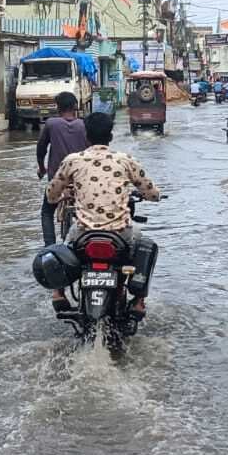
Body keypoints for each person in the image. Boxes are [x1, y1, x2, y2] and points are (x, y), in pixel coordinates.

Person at [45, 111, 161, 312]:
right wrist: (153, 195)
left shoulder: (72, 160)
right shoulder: (126, 160)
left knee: (62, 245)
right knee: (145, 245)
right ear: (111, 136)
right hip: (120, 233)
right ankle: (140, 301)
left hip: (83, 233)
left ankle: (59, 292)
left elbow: (51, 193)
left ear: (87, 137)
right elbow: (151, 192)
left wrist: (61, 196)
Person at [36, 91, 88, 245]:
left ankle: (49, 246)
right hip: (81, 180)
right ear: (75, 107)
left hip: (57, 180)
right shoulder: (84, 124)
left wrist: (41, 167)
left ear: (58, 108)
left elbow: (41, 149)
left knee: (47, 212)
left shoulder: (51, 124)